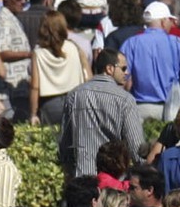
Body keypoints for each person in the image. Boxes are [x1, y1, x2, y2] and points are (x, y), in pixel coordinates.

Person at [58, 49, 145, 178]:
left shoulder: (74, 95)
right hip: (113, 180)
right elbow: (137, 149)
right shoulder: (125, 99)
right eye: (123, 68)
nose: (126, 73)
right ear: (109, 69)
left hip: (81, 179)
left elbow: (64, 144)